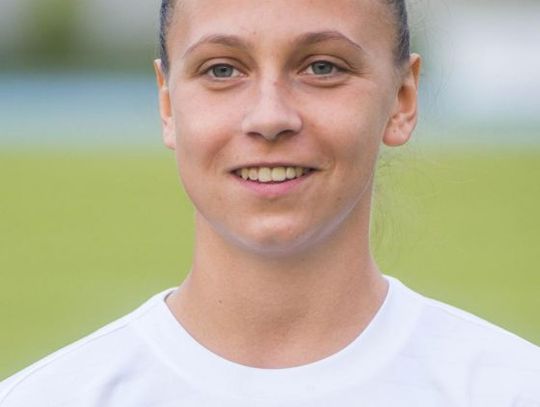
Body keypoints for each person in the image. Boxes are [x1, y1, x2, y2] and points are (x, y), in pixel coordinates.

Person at [1, 0, 539, 405]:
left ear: (402, 99)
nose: (270, 117)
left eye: (323, 67)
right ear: (167, 103)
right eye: (221, 70)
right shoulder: (50, 397)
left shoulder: (510, 389)